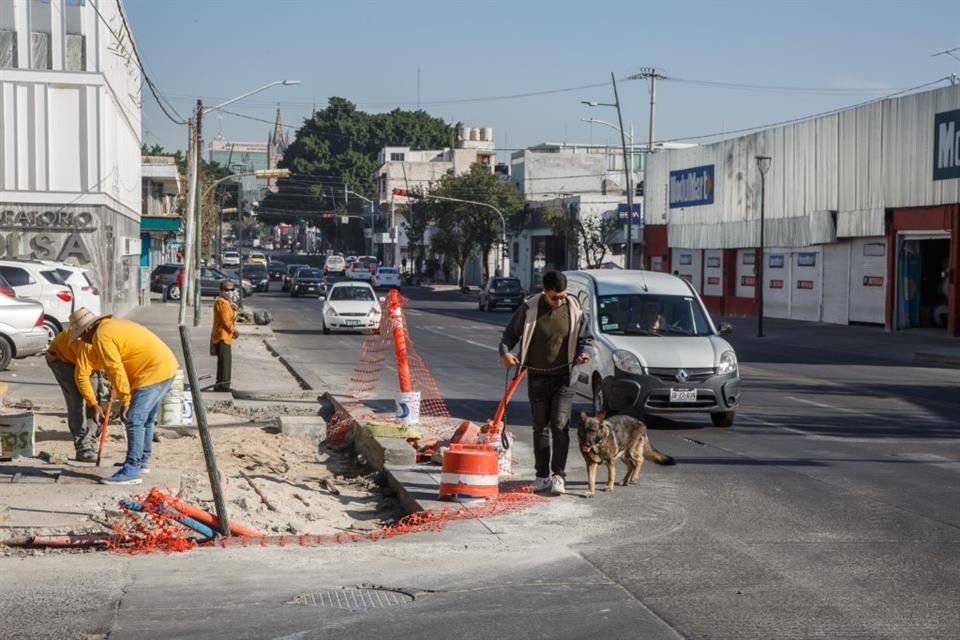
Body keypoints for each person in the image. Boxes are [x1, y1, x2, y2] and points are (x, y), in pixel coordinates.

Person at [498, 270, 592, 496]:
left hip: (565, 377)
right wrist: (505, 352)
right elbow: (510, 334)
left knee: (559, 424)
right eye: (554, 297)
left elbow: (586, 339)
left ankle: (558, 475)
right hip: (537, 375)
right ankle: (542, 476)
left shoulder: (575, 309)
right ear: (544, 292)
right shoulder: (529, 308)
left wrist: (584, 353)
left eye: (562, 296)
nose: (559, 301)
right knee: (540, 426)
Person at [68, 307, 179, 485]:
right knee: (146, 419)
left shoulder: (101, 337)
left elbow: (115, 369)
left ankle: (132, 469)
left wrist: (126, 400)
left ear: (87, 329)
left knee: (134, 419)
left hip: (152, 372)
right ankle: (142, 461)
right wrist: (121, 394)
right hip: (165, 366)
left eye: (81, 336)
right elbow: (121, 362)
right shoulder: (111, 326)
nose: (83, 341)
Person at [45, 329, 102, 462]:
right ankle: (83, 447)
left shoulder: (111, 342)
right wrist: (93, 404)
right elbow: (81, 377)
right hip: (61, 359)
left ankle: (90, 440)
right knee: (76, 401)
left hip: (84, 361)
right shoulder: (87, 342)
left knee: (96, 398)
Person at [211, 281, 239, 391]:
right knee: (225, 362)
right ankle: (224, 386)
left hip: (226, 335)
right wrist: (234, 331)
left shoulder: (227, 303)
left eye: (232, 289)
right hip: (222, 335)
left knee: (223, 361)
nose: (230, 292)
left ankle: (220, 384)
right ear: (221, 291)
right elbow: (225, 321)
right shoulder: (221, 302)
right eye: (227, 290)